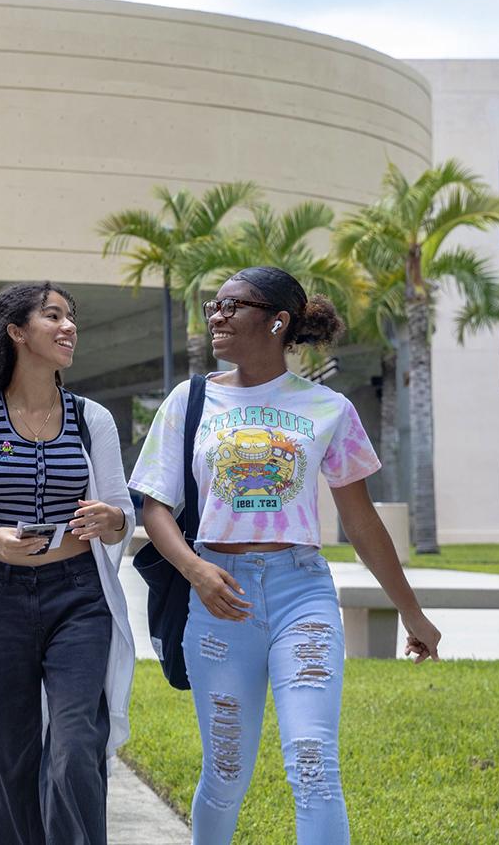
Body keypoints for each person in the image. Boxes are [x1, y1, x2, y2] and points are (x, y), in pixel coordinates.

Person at [129, 266, 442, 844]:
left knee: (313, 761)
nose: (216, 317)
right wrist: (196, 570)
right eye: (213, 307)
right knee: (225, 772)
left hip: (303, 594)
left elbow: (360, 519)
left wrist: (411, 611)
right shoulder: (189, 400)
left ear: (277, 321)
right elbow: (155, 508)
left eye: (231, 306)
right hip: (219, 598)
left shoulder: (326, 407)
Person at [0, 281, 137, 845]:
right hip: (1, 598)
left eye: (71, 317)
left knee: (75, 746)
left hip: (79, 596)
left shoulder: (90, 418)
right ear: (17, 331)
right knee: (7, 758)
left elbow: (124, 515)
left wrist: (110, 521)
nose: (69, 326)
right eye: (53, 316)